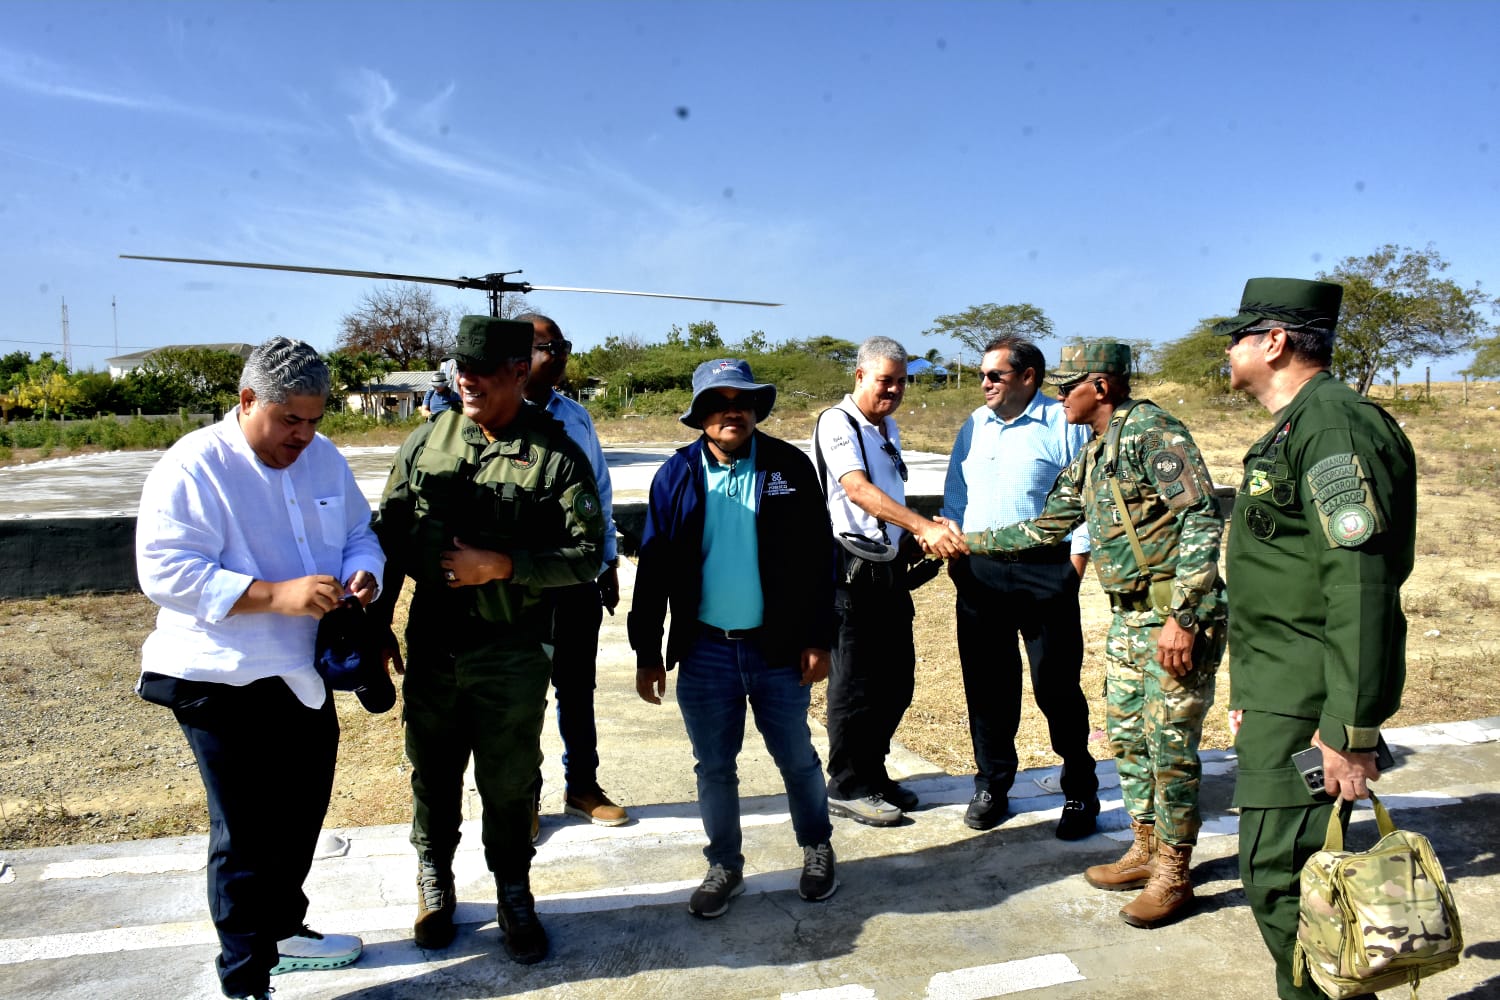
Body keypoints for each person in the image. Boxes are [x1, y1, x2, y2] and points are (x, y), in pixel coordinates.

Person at [135, 337, 384, 1000]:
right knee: (244, 834)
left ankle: (283, 931)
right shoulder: (195, 465)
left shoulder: (324, 459)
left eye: (314, 420)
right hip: (217, 677)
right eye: (289, 420)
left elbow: (359, 533)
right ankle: (246, 981)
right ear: (248, 400)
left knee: (299, 817)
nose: (302, 435)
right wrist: (275, 595)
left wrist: (364, 572)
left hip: (301, 673)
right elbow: (165, 572)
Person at [958, 342, 1226, 928]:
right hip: (1131, 617)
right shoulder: (1096, 450)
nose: (1058, 396)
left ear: (1100, 387)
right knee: (1129, 739)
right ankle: (1145, 847)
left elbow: (1201, 517)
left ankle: (1174, 871)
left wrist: (1184, 617)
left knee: (1170, 749)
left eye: (1068, 386)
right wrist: (965, 542)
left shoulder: (1153, 433)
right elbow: (1045, 526)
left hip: (1172, 618)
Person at [370, 315, 605, 965]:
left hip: (511, 648)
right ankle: (435, 879)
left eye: (482, 370)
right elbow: (389, 538)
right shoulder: (427, 441)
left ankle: (513, 890)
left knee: (508, 780)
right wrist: (378, 623)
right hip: (434, 642)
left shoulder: (555, 453)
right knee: (433, 773)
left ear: (517, 371)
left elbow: (587, 554)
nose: (467, 380)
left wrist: (504, 565)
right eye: (461, 368)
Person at [1218, 278, 1417, 999]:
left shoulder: (1333, 427)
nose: (1228, 350)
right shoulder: (1299, 424)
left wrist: (1350, 730)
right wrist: (1251, 695)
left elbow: (1360, 587)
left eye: (1238, 337)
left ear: (1274, 342)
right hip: (1280, 688)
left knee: (1284, 878)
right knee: (1286, 875)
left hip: (1309, 694)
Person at [629, 358, 839, 919]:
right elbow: (652, 571)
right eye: (718, 403)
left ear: (755, 410)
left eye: (742, 401)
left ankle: (817, 847)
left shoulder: (789, 466)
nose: (732, 411)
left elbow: (819, 560)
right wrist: (648, 651)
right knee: (714, 767)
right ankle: (725, 864)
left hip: (778, 650)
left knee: (796, 757)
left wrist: (819, 638)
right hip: (705, 653)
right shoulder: (675, 475)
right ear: (699, 413)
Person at [940, 337, 1100, 838]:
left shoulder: (1063, 422)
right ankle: (992, 784)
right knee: (988, 687)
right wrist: (958, 555)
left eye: (995, 375)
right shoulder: (975, 425)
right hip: (981, 574)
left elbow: (1086, 496)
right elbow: (956, 495)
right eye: (982, 375)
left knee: (1057, 686)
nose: (984, 383)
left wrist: (1074, 567)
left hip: (1045, 572)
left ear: (1028, 377)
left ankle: (1080, 787)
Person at [815, 336, 965, 826]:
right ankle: (847, 785)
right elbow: (857, 491)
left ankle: (872, 773)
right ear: (860, 376)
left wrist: (917, 534)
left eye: (902, 381)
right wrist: (920, 525)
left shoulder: (887, 427)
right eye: (885, 380)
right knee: (854, 684)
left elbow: (887, 501)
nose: (895, 390)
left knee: (895, 682)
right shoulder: (838, 422)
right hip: (850, 570)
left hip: (888, 569)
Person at [518, 311, 628, 828]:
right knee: (523, 691)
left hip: (576, 574)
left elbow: (600, 490)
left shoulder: (576, 416)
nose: (559, 354)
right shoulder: (495, 415)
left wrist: (607, 560)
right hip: (520, 582)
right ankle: (523, 796)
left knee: (577, 686)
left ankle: (582, 785)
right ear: (518, 358)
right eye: (548, 347)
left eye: (563, 345)